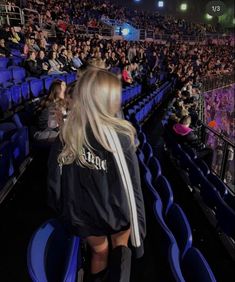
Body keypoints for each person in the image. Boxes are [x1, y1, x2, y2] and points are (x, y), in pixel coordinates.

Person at [48, 68, 146, 282]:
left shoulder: (67, 133)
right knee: (120, 251)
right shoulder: (119, 135)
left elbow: (55, 182)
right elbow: (132, 189)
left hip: (82, 212)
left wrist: (62, 212)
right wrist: (138, 237)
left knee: (99, 253)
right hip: (115, 210)